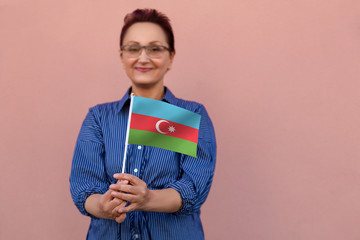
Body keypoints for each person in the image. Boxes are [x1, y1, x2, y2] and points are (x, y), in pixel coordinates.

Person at [70, 8, 216, 240]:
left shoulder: (189, 115)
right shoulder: (99, 117)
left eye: (155, 48)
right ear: (121, 57)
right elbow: (84, 186)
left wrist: (147, 199)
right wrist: (103, 206)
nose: (143, 57)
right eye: (133, 48)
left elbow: (193, 189)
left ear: (171, 57)